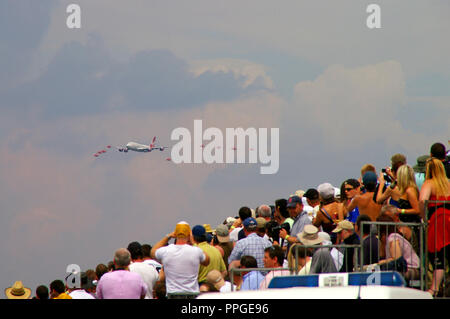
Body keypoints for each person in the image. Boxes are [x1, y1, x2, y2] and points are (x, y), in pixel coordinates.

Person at [151, 221, 210, 298]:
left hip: (173, 294)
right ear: (189, 235)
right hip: (191, 293)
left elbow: (152, 252)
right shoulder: (195, 251)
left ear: (175, 234)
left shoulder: (166, 251)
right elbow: (207, 261)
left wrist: (168, 236)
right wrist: (193, 243)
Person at [419, 157, 450, 296]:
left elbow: (422, 199)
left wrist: (423, 216)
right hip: (448, 217)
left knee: (437, 254)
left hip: (437, 220)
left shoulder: (430, 183)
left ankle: (435, 288)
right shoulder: (448, 183)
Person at [375, 215, 420, 282]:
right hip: (404, 268)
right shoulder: (387, 239)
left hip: (411, 268)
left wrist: (382, 262)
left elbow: (397, 259)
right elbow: (382, 256)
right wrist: (382, 243)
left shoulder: (393, 238)